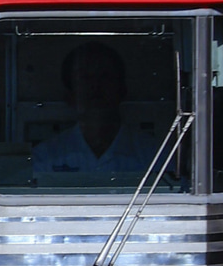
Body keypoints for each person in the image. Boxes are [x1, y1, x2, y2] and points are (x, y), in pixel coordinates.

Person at [31, 43, 158, 183]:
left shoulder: (155, 155)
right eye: (85, 78)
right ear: (69, 96)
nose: (96, 86)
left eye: (105, 76)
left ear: (122, 91)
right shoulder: (44, 157)